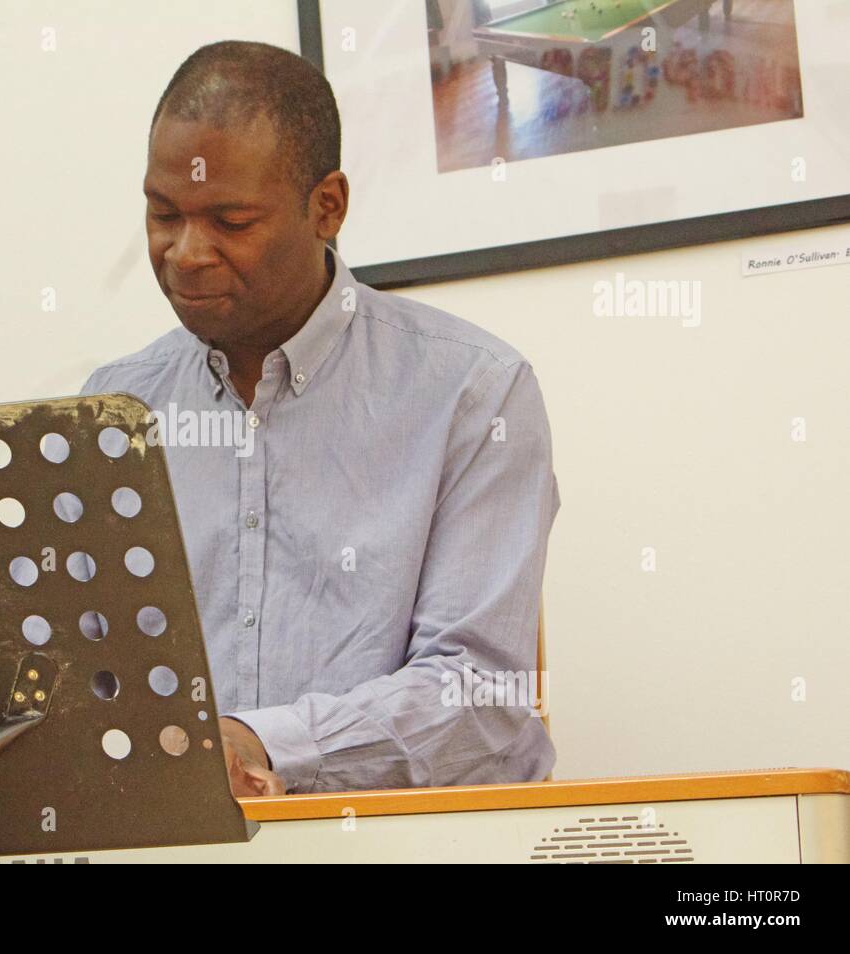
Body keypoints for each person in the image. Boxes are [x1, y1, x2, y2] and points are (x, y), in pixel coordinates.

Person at [81, 40, 560, 796]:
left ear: (326, 207)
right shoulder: (113, 411)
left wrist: (264, 743)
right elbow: (59, 675)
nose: (186, 253)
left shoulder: (475, 392)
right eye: (163, 214)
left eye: (231, 221)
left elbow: (480, 697)